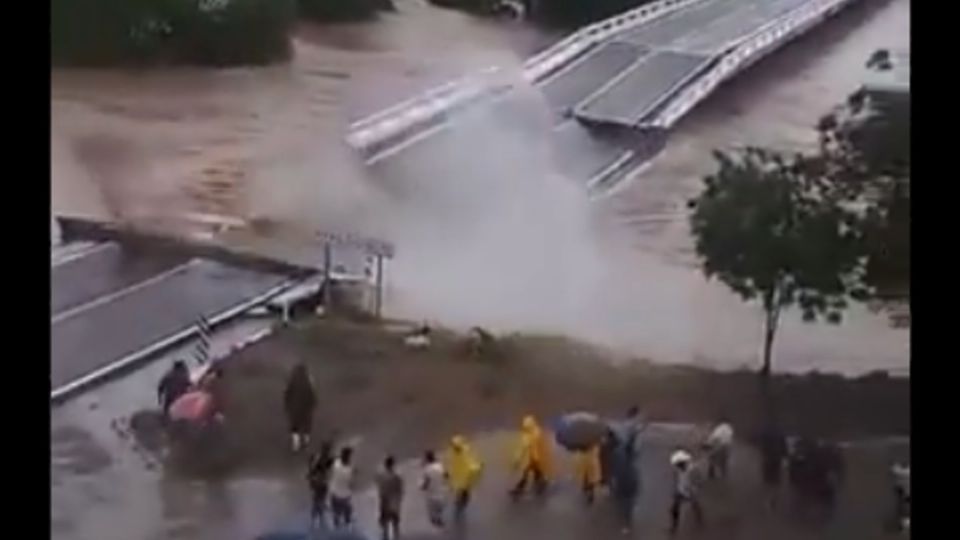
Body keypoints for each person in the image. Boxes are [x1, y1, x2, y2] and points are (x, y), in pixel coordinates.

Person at [510, 415, 552, 499]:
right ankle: (541, 482)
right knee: (535, 471)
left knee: (526, 472)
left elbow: (522, 450)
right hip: (535, 457)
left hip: (532, 458)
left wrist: (517, 460)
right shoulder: (537, 431)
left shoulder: (527, 437)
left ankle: (520, 487)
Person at [445, 435, 482, 521]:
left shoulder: (465, 453)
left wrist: (477, 467)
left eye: (456, 446)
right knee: (459, 490)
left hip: (465, 477)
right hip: (457, 476)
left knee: (464, 490)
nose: (454, 447)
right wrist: (447, 472)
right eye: (453, 445)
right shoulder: (453, 453)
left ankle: (463, 500)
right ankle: (460, 500)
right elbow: (450, 463)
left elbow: (471, 463)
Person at [669, 450, 704, 536]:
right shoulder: (678, 469)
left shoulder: (693, 469)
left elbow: (699, 481)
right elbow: (677, 479)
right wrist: (676, 489)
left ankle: (700, 517)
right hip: (681, 490)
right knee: (674, 509)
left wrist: (694, 488)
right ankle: (674, 526)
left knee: (695, 505)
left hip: (691, 491)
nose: (677, 466)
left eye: (678, 464)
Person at [283, 363, 317, 452]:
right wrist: (313, 405)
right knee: (307, 425)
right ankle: (306, 443)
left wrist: (287, 405)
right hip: (306, 407)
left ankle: (296, 444)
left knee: (295, 426)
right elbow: (312, 394)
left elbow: (287, 394)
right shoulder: (309, 380)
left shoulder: (292, 380)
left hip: (295, 407)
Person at [611, 436, 641, 534]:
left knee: (624, 506)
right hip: (627, 486)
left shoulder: (618, 454)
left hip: (624, 485)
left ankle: (626, 523)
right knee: (626, 506)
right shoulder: (629, 461)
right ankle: (626, 523)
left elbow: (615, 470)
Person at [759, 422, 788, 509]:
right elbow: (784, 448)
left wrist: (763, 454)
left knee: (767, 481)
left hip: (768, 459)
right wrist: (784, 458)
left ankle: (768, 500)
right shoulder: (781, 435)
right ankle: (772, 499)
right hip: (776, 459)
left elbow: (762, 446)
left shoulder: (766, 435)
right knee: (775, 481)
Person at [376, 455, 405, 540]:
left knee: (384, 523)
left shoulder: (381, 475)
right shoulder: (397, 475)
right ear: (392, 464)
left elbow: (379, 487)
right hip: (394, 502)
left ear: (385, 464)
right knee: (395, 523)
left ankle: (385, 537)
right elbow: (400, 489)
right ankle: (396, 537)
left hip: (384, 501)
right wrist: (399, 500)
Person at [307, 442, 335, 529]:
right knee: (317, 501)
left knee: (320, 501)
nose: (327, 451)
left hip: (322, 483)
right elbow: (312, 470)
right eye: (326, 449)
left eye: (327, 450)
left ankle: (320, 521)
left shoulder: (328, 459)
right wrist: (311, 479)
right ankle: (315, 522)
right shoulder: (319, 459)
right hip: (318, 482)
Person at [329, 447, 356, 529]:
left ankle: (337, 522)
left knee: (337, 513)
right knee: (347, 512)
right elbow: (351, 483)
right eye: (349, 455)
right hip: (344, 494)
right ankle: (345, 522)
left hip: (335, 492)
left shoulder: (336, 464)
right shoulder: (349, 469)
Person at [421, 450, 448, 528]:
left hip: (431, 495)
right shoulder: (440, 466)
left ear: (427, 459)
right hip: (441, 493)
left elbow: (426, 483)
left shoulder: (427, 469)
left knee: (432, 512)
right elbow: (446, 476)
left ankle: (435, 520)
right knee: (439, 509)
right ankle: (439, 519)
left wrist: (422, 487)